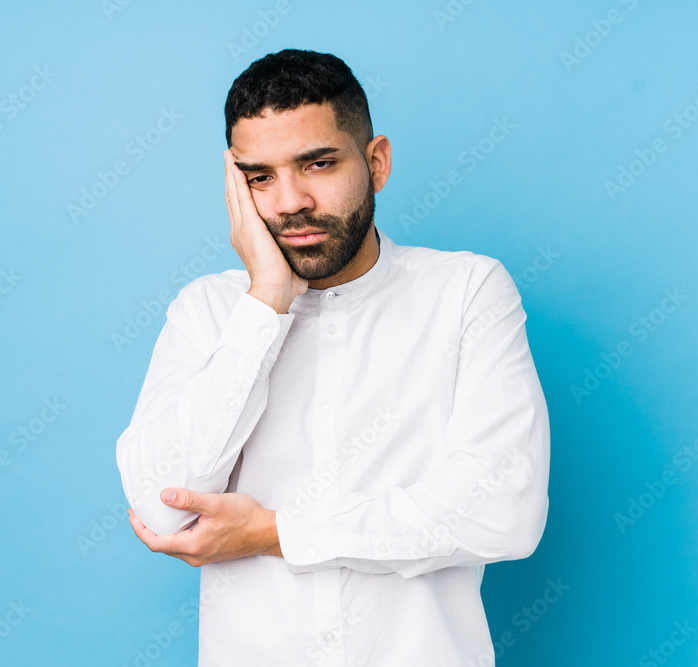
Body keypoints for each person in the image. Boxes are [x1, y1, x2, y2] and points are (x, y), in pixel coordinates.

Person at [116, 48, 550, 666]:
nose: (290, 201)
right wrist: (266, 302)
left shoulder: (465, 292)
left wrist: (274, 532)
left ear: (376, 162)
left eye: (317, 164)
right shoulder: (208, 311)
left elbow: (503, 510)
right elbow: (163, 508)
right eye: (259, 177)